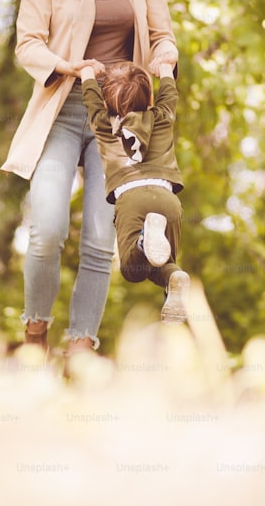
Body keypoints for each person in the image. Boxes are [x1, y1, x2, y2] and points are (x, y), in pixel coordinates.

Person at [0, 0, 179, 354]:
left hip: (121, 121)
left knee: (102, 238)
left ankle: (81, 349)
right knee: (48, 229)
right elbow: (27, 44)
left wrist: (164, 57)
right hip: (64, 109)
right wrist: (71, 65)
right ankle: (36, 333)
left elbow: (162, 34)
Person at [79, 60, 188, 323]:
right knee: (162, 261)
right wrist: (164, 70)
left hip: (131, 198)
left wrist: (87, 75)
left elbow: (91, 104)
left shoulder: (105, 126)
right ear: (150, 97)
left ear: (107, 104)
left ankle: (143, 240)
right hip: (167, 199)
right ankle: (174, 278)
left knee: (133, 268)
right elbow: (170, 95)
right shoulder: (161, 117)